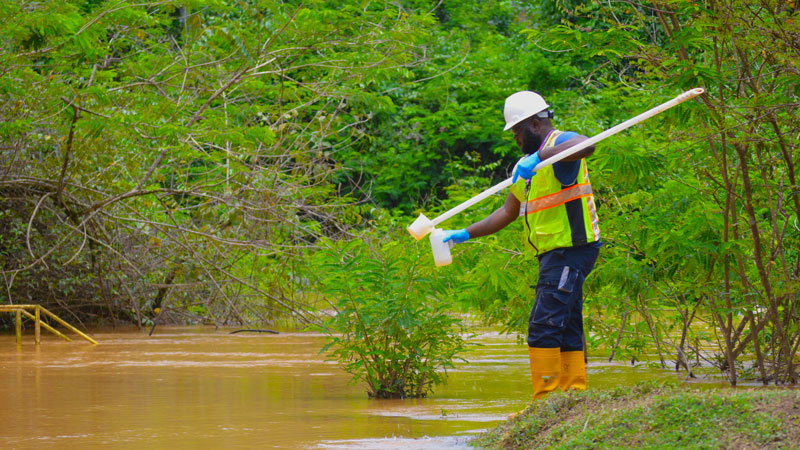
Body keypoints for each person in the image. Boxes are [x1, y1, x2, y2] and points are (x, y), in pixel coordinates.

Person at [442, 91, 602, 402]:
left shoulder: (558, 144)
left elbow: (587, 144)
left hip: (571, 248)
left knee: (543, 324)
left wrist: (540, 157)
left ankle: (545, 401)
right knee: (566, 321)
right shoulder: (524, 169)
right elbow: (506, 212)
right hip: (552, 253)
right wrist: (463, 233)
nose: (514, 139)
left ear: (532, 124)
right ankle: (572, 397)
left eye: (515, 131)